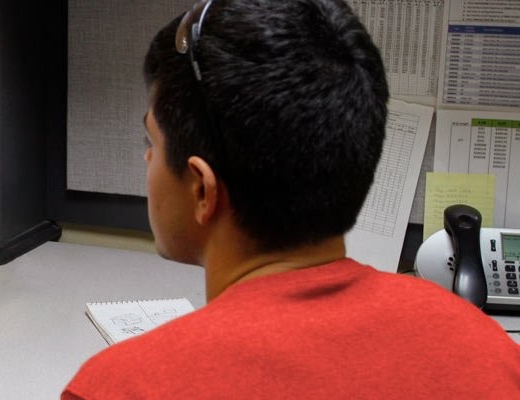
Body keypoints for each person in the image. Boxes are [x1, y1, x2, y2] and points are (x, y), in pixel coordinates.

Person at [62, 0, 520, 398]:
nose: (147, 159)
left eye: (153, 142)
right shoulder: (489, 351)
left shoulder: (121, 387)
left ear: (202, 189)